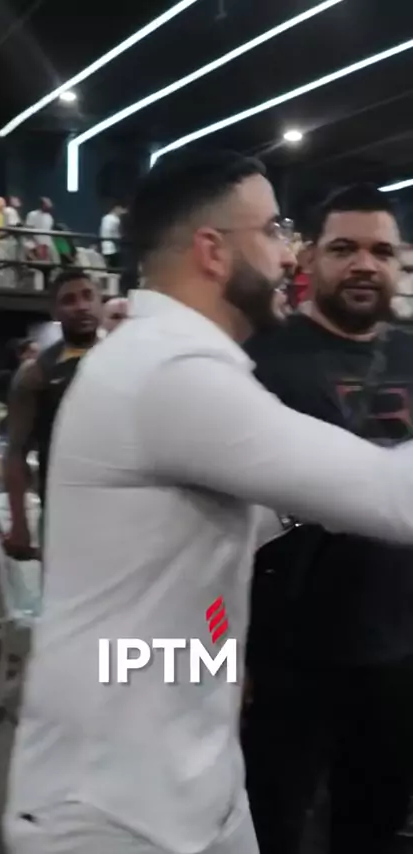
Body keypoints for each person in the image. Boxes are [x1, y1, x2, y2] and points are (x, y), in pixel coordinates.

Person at [4, 150, 413, 854]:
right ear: (212, 251)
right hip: (113, 807)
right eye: (274, 230)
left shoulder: (161, 359)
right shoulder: (169, 371)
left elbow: (220, 530)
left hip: (185, 772)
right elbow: (394, 497)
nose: (288, 254)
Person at [244, 183, 413, 854]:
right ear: (309, 258)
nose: (364, 265)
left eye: (381, 251)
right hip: (286, 653)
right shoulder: (257, 359)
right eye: (344, 249)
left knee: (373, 824)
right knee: (272, 825)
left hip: (398, 650)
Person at [4, 269, 102, 559]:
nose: (81, 306)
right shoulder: (36, 373)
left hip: (129, 507)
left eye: (88, 296)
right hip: (66, 510)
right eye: (69, 300)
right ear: (54, 311)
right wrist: (19, 524)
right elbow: (15, 452)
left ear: (100, 300)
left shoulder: (128, 356)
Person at [25, 197, 54, 261]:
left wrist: (46, 246)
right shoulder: (32, 214)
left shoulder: (49, 217)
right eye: (47, 203)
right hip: (34, 245)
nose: (50, 205)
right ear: (42, 204)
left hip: (46, 246)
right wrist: (36, 245)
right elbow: (29, 230)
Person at [100, 201, 126, 271]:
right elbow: (115, 233)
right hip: (113, 249)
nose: (122, 212)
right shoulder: (115, 220)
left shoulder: (105, 218)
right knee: (115, 269)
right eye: (122, 209)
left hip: (106, 247)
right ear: (117, 208)